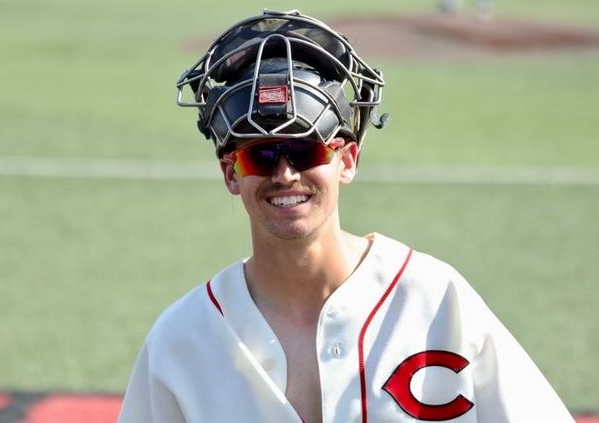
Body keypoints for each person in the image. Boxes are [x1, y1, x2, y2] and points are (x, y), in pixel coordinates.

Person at [118, 10, 573, 423]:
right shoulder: (181, 341)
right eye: (260, 155)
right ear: (230, 174)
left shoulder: (434, 300)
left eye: (305, 148)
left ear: (347, 160)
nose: (286, 173)